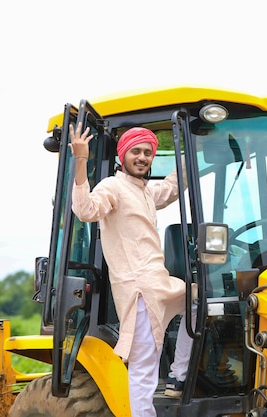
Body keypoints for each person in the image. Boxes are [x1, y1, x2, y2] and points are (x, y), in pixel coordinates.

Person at [70, 123, 192, 416]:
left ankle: (178, 374)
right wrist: (81, 159)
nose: (143, 157)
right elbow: (85, 210)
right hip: (139, 290)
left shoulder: (147, 191)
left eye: (148, 152)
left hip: (158, 283)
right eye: (136, 151)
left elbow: (175, 185)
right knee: (144, 368)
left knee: (198, 301)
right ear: (123, 155)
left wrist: (197, 146)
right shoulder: (113, 187)